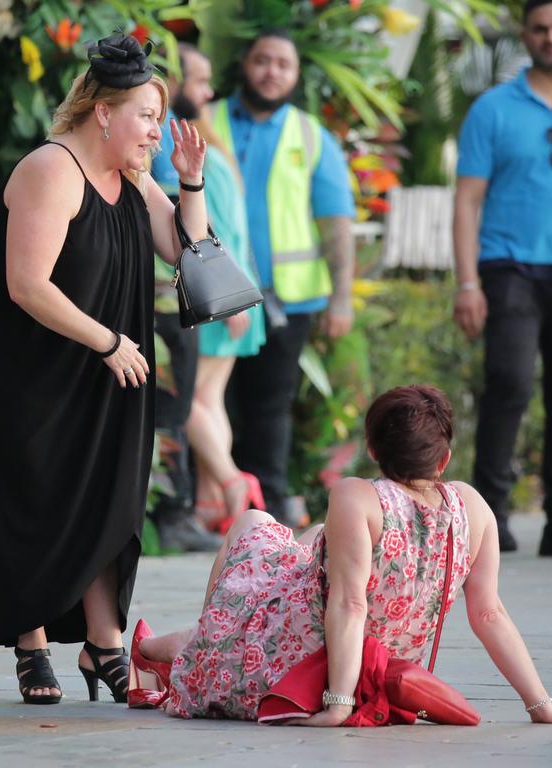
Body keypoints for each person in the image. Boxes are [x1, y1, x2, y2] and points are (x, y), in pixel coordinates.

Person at [0, 34, 209, 707]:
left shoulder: (135, 180)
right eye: (147, 117)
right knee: (33, 501)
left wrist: (189, 181)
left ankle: (104, 643)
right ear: (103, 113)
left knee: (109, 504)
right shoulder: (50, 169)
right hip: (28, 374)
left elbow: (192, 257)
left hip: (106, 370)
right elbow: (25, 284)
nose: (156, 130)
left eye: (159, 118)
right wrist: (108, 342)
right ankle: (31, 646)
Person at [131, 385, 552, 727]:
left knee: (254, 525)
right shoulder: (471, 507)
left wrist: (337, 704)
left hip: (299, 660)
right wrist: (543, 706)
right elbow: (489, 613)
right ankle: (172, 649)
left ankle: (167, 651)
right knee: (308, 542)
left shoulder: (358, 497)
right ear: (444, 459)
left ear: (374, 450)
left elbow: (351, 604)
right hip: (381, 669)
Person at [453, 0, 552, 557]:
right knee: (509, 381)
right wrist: (467, 283)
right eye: (540, 28)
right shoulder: (492, 108)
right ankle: (488, 518)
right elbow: (467, 201)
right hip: (508, 266)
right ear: (526, 35)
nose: (551, 37)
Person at [207, 29, 356, 526]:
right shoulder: (208, 122)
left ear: (295, 75)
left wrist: (341, 300)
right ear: (245, 65)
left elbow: (335, 222)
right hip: (214, 295)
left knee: (270, 407)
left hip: (287, 301)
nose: (271, 71)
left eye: (283, 64)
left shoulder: (312, 136)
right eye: (262, 60)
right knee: (213, 401)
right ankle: (213, 507)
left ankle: (263, 508)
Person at [147, 43, 222, 552]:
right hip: (160, 301)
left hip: (177, 297)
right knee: (172, 408)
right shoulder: (157, 131)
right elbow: (179, 233)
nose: (207, 91)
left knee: (179, 405)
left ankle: (175, 510)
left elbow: (197, 228)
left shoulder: (186, 133)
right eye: (198, 79)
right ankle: (170, 514)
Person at [185, 101, 267, 534]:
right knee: (210, 399)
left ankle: (233, 482)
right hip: (235, 291)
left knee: (188, 402)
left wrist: (225, 290)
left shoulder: (193, 158)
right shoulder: (220, 156)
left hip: (216, 294)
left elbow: (208, 227)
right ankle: (212, 500)